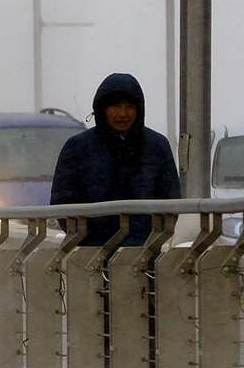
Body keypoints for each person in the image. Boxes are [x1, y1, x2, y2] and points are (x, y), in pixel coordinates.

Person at [50, 72, 181, 247]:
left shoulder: (157, 146)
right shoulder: (78, 148)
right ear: (102, 108)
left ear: (139, 109)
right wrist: (88, 241)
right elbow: (63, 203)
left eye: (129, 107)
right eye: (116, 106)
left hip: (143, 256)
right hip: (90, 257)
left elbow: (171, 200)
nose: (123, 114)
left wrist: (145, 241)